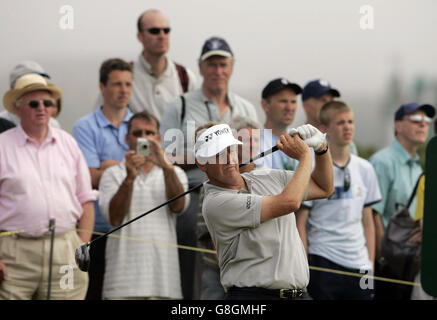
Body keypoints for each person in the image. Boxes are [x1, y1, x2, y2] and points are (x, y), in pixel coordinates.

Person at [160, 36, 259, 299]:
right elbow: (164, 156)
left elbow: (253, 157)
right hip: (193, 194)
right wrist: (204, 157)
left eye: (223, 64)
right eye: (211, 64)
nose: (218, 71)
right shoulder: (180, 105)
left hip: (239, 195)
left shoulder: (246, 107)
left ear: (232, 67)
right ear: (201, 68)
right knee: (197, 272)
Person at [194, 122, 334, 300]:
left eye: (230, 150)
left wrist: (322, 149)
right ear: (202, 163)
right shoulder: (215, 203)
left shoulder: (267, 176)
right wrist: (306, 156)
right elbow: (289, 202)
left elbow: (324, 187)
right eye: (218, 155)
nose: (229, 159)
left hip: (300, 295)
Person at [0, 74, 97, 299]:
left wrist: (83, 244)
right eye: (33, 103)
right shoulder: (2, 145)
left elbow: (86, 200)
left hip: (65, 249)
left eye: (47, 103)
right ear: (17, 108)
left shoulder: (68, 143)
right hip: (14, 256)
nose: (41, 108)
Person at [98, 111, 189, 299]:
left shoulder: (175, 173)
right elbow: (114, 218)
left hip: (164, 284)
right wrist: (129, 178)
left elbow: (178, 206)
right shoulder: (112, 174)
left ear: (159, 138)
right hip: (122, 286)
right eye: (137, 133)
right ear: (126, 138)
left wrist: (166, 167)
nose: (144, 138)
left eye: (149, 133)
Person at [296, 101, 381, 300]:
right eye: (341, 122)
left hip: (360, 264)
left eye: (350, 122)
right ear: (324, 129)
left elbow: (368, 222)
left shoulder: (365, 168)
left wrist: (370, 264)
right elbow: (301, 222)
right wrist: (303, 267)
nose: (347, 127)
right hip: (323, 258)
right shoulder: (312, 168)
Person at [73, 58, 134, 300]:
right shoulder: (85, 126)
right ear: (102, 87)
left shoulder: (141, 123)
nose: (124, 90)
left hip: (133, 227)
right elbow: (87, 177)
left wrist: (108, 167)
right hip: (98, 229)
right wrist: (125, 168)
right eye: (117, 84)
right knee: (95, 292)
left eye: (128, 84)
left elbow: (149, 172)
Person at [369, 102, 435, 300]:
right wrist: (383, 260)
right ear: (398, 126)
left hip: (411, 263)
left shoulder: (418, 165)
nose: (423, 124)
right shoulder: (382, 161)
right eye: (415, 119)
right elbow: (373, 214)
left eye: (427, 120)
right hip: (389, 266)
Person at [196, 116, 262, 300]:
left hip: (258, 276)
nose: (251, 145)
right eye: (245, 140)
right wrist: (231, 270)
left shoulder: (266, 176)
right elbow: (210, 237)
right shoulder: (214, 182)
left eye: (255, 140)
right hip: (219, 273)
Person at [129, 9, 197, 120]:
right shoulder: (124, 76)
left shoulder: (185, 77)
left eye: (166, 30)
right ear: (140, 36)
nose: (162, 36)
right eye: (154, 31)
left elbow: (194, 123)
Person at [301, 79, 358, 155]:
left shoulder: (347, 144)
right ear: (306, 106)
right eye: (323, 100)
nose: (329, 105)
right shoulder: (297, 139)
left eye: (331, 100)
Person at [0, 61, 61, 129]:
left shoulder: (52, 125)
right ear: (13, 89)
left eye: (40, 80)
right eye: (28, 81)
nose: (36, 87)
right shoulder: (2, 123)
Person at [258, 78, 302, 170]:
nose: (289, 107)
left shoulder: (301, 139)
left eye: (293, 102)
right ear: (265, 105)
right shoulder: (254, 141)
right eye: (283, 101)